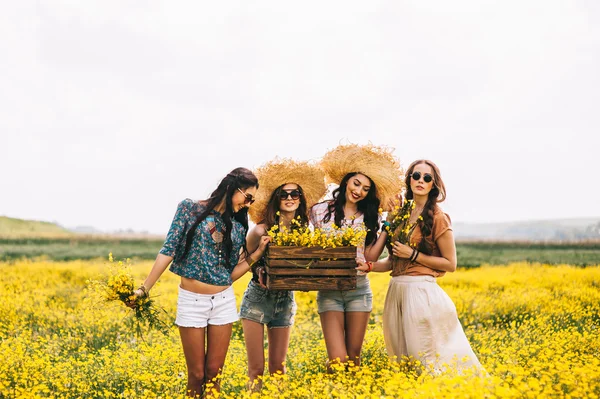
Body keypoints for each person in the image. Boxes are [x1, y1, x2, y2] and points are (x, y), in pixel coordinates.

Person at [129, 167, 271, 397]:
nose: (248, 203)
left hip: (223, 302)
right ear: (232, 188)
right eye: (248, 197)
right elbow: (169, 249)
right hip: (192, 302)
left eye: (252, 200)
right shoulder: (190, 209)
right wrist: (144, 289)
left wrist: (256, 254)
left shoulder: (237, 226)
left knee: (214, 374)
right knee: (196, 376)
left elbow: (229, 275)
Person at [356, 159, 482, 372]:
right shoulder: (403, 213)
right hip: (396, 291)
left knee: (425, 360)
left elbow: (450, 264)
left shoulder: (439, 217)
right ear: (409, 179)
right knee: (402, 361)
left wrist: (413, 254)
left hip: (421, 294)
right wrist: (370, 267)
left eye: (427, 178)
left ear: (434, 184)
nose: (420, 181)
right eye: (416, 176)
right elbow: (393, 261)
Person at [311, 143, 404, 370]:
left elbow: (369, 257)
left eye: (365, 189)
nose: (359, 191)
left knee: (353, 360)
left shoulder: (370, 217)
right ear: (346, 182)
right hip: (329, 291)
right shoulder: (319, 210)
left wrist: (388, 224)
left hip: (359, 290)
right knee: (338, 359)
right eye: (356, 183)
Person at [241, 159, 327, 390]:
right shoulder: (260, 230)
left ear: (301, 200)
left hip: (285, 300)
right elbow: (245, 261)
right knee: (256, 370)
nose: (290, 198)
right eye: (284, 194)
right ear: (276, 199)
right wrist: (258, 268)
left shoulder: (305, 233)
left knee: (279, 369)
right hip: (258, 298)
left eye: (295, 194)